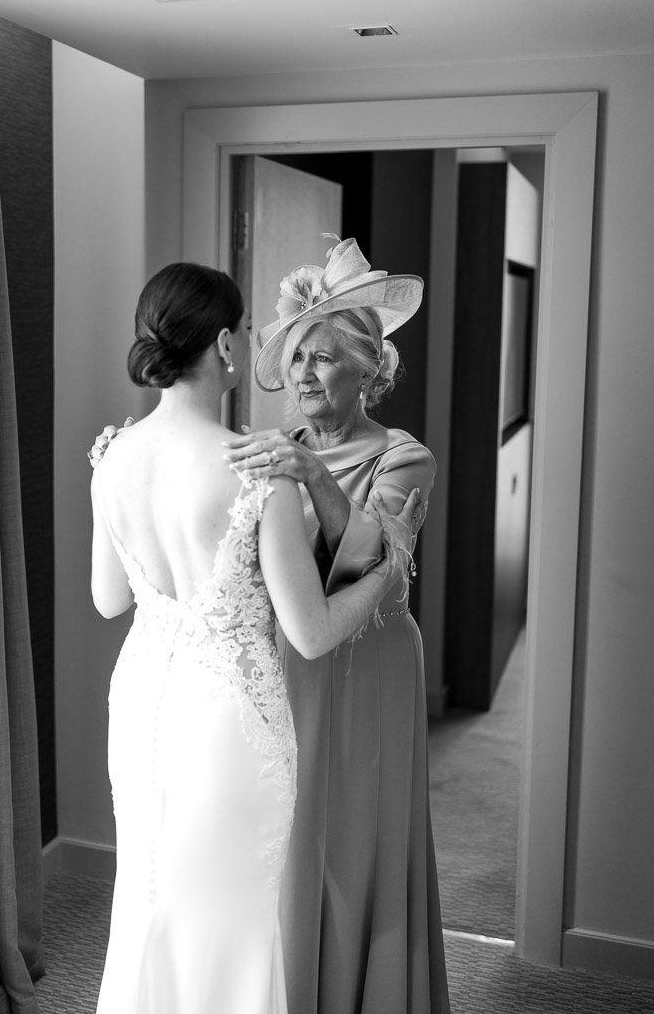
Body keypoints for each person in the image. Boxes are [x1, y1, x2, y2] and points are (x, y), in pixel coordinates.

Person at [89, 260, 419, 1014]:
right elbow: (309, 633)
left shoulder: (112, 457)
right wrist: (383, 575)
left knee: (148, 901)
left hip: (142, 705)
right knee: (230, 918)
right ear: (229, 347)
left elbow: (110, 599)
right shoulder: (256, 472)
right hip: (228, 720)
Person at [223, 236, 450, 1014]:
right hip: (287, 670)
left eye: (325, 358)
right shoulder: (271, 452)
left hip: (370, 671)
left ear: (369, 369)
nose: (306, 373)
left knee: (356, 844)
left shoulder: (404, 458)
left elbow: (375, 575)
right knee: (288, 849)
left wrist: (316, 475)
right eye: (297, 358)